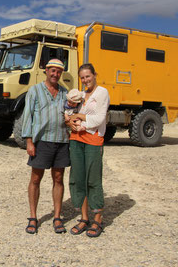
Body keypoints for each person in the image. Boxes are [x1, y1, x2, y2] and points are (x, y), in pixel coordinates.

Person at [21, 58, 70, 234]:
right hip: (41, 142)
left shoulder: (65, 93)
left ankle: (57, 217)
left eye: (58, 71)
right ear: (46, 71)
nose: (55, 74)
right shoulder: (34, 91)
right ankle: (33, 217)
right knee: (35, 179)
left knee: (58, 179)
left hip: (62, 141)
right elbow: (28, 116)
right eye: (52, 70)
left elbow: (70, 115)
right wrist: (29, 141)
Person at [66, 63, 109, 237]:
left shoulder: (102, 93)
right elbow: (68, 113)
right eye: (82, 78)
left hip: (92, 139)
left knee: (93, 178)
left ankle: (97, 218)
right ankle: (84, 218)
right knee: (79, 177)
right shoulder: (80, 95)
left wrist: (79, 118)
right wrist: (70, 120)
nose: (85, 80)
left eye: (88, 76)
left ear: (94, 75)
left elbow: (99, 117)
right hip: (76, 139)